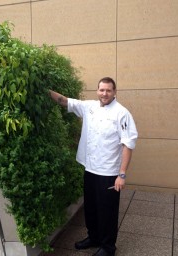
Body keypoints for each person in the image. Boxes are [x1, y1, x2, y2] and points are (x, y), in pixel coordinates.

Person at [49, 77, 138, 256]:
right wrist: (44, 90)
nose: (104, 93)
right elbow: (64, 101)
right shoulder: (89, 107)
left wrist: (122, 175)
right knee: (91, 207)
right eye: (101, 90)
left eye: (108, 90)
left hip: (109, 172)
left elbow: (128, 144)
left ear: (114, 92)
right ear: (97, 91)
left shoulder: (122, 113)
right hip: (90, 168)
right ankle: (94, 237)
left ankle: (107, 247)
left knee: (107, 212)